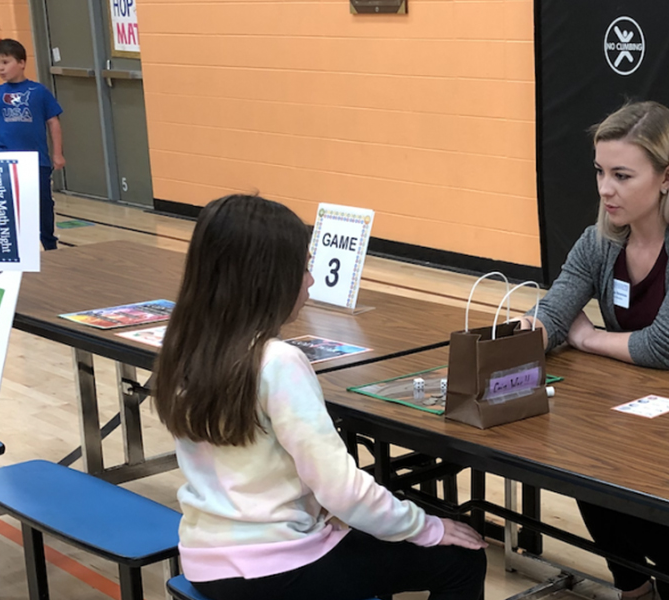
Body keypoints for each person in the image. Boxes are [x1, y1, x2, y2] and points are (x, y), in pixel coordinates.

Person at [153, 194, 487, 600]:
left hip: (205, 560)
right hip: (278, 570)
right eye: (304, 268)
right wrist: (428, 528)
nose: (311, 280)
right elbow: (342, 490)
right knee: (463, 559)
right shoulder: (276, 362)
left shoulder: (183, 347)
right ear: (267, 278)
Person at [515, 101, 669, 600]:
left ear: (666, 177)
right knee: (582, 459)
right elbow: (554, 311)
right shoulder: (599, 240)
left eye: (623, 175)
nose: (606, 189)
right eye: (601, 172)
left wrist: (585, 338)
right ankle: (635, 586)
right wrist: (527, 335)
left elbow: (666, 347)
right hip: (647, 398)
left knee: (628, 480)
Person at [0, 39, 64, 250]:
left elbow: (53, 122)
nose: (1, 68)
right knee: (9, 205)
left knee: (43, 204)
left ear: (22, 63)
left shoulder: (38, 91)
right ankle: (15, 246)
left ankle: (49, 243)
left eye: (5, 62)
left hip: (36, 161)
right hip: (6, 162)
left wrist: (58, 153)